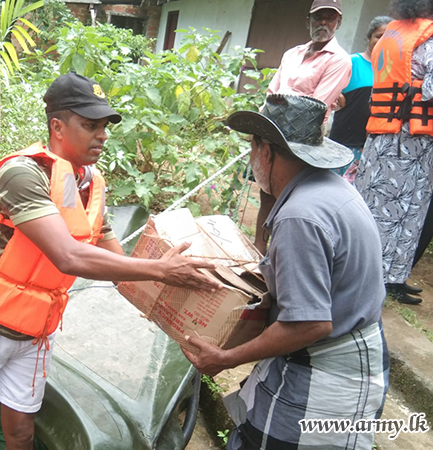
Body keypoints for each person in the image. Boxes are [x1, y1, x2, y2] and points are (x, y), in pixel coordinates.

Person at [0, 72, 224, 450]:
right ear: (57, 126)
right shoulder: (22, 174)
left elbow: (120, 268)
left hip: (34, 332)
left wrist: (186, 319)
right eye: (90, 125)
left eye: (105, 127)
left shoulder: (90, 184)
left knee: (21, 433)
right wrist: (161, 269)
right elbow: (68, 255)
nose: (102, 135)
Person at [185, 95, 388, 449]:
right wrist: (270, 196)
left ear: (266, 151)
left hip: (325, 367)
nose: (250, 158)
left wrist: (225, 358)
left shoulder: (300, 218)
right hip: (352, 347)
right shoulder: (328, 190)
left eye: (253, 147)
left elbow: (309, 323)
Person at [253, 0, 352, 254]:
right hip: (273, 131)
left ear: (338, 23)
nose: (323, 23)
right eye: (318, 17)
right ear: (308, 21)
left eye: (330, 18)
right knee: (266, 191)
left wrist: (277, 113)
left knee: (289, 198)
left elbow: (315, 107)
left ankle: (281, 253)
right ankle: (258, 250)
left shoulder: (339, 60)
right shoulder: (292, 54)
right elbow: (272, 93)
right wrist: (261, 130)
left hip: (302, 141)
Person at [354, 0, 433, 305]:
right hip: (408, 142)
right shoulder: (428, 39)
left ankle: (376, 275)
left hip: (382, 136)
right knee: (401, 215)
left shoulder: (392, 33)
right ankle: (381, 281)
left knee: (372, 207)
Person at [330, 16, 393, 182]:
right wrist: (337, 95)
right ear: (368, 37)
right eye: (379, 36)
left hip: (369, 146)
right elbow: (327, 87)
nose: (382, 41)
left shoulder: (391, 70)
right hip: (342, 141)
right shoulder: (351, 62)